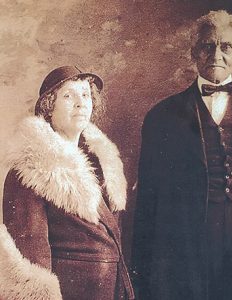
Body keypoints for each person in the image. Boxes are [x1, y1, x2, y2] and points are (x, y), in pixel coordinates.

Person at [131, 10, 232, 300]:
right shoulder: (162, 117)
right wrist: (141, 271)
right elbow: (148, 202)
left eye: (226, 46)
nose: (216, 54)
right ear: (194, 52)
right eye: (207, 46)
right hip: (186, 246)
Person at [0, 66, 134, 300]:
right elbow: (30, 265)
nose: (81, 103)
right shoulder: (30, 170)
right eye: (68, 95)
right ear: (48, 107)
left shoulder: (102, 165)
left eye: (85, 94)